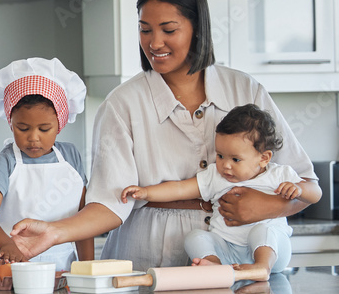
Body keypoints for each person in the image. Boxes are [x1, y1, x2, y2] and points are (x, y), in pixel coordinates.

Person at [5, 0, 320, 270]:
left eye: (169, 30)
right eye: (145, 30)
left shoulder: (246, 90)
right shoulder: (122, 104)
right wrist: (55, 232)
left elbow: (306, 184)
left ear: (197, 27)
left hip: (235, 262)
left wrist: (271, 207)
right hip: (145, 263)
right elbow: (109, 204)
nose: (154, 43)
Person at [121, 104, 303, 279]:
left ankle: (261, 268)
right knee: (195, 237)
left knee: (263, 229)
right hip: (229, 253)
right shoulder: (216, 176)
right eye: (220, 156)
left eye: (236, 159)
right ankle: (215, 267)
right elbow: (181, 188)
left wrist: (299, 189)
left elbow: (314, 193)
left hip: (274, 252)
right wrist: (146, 192)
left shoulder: (280, 175)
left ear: (264, 158)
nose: (226, 165)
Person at [0, 57, 93, 270]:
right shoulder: (6, 161)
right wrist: (7, 245)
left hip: (65, 266)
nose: (33, 138)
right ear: (10, 123)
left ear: (60, 124)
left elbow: (84, 218)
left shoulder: (71, 156)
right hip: (14, 264)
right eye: (23, 128)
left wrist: (88, 266)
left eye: (44, 129)